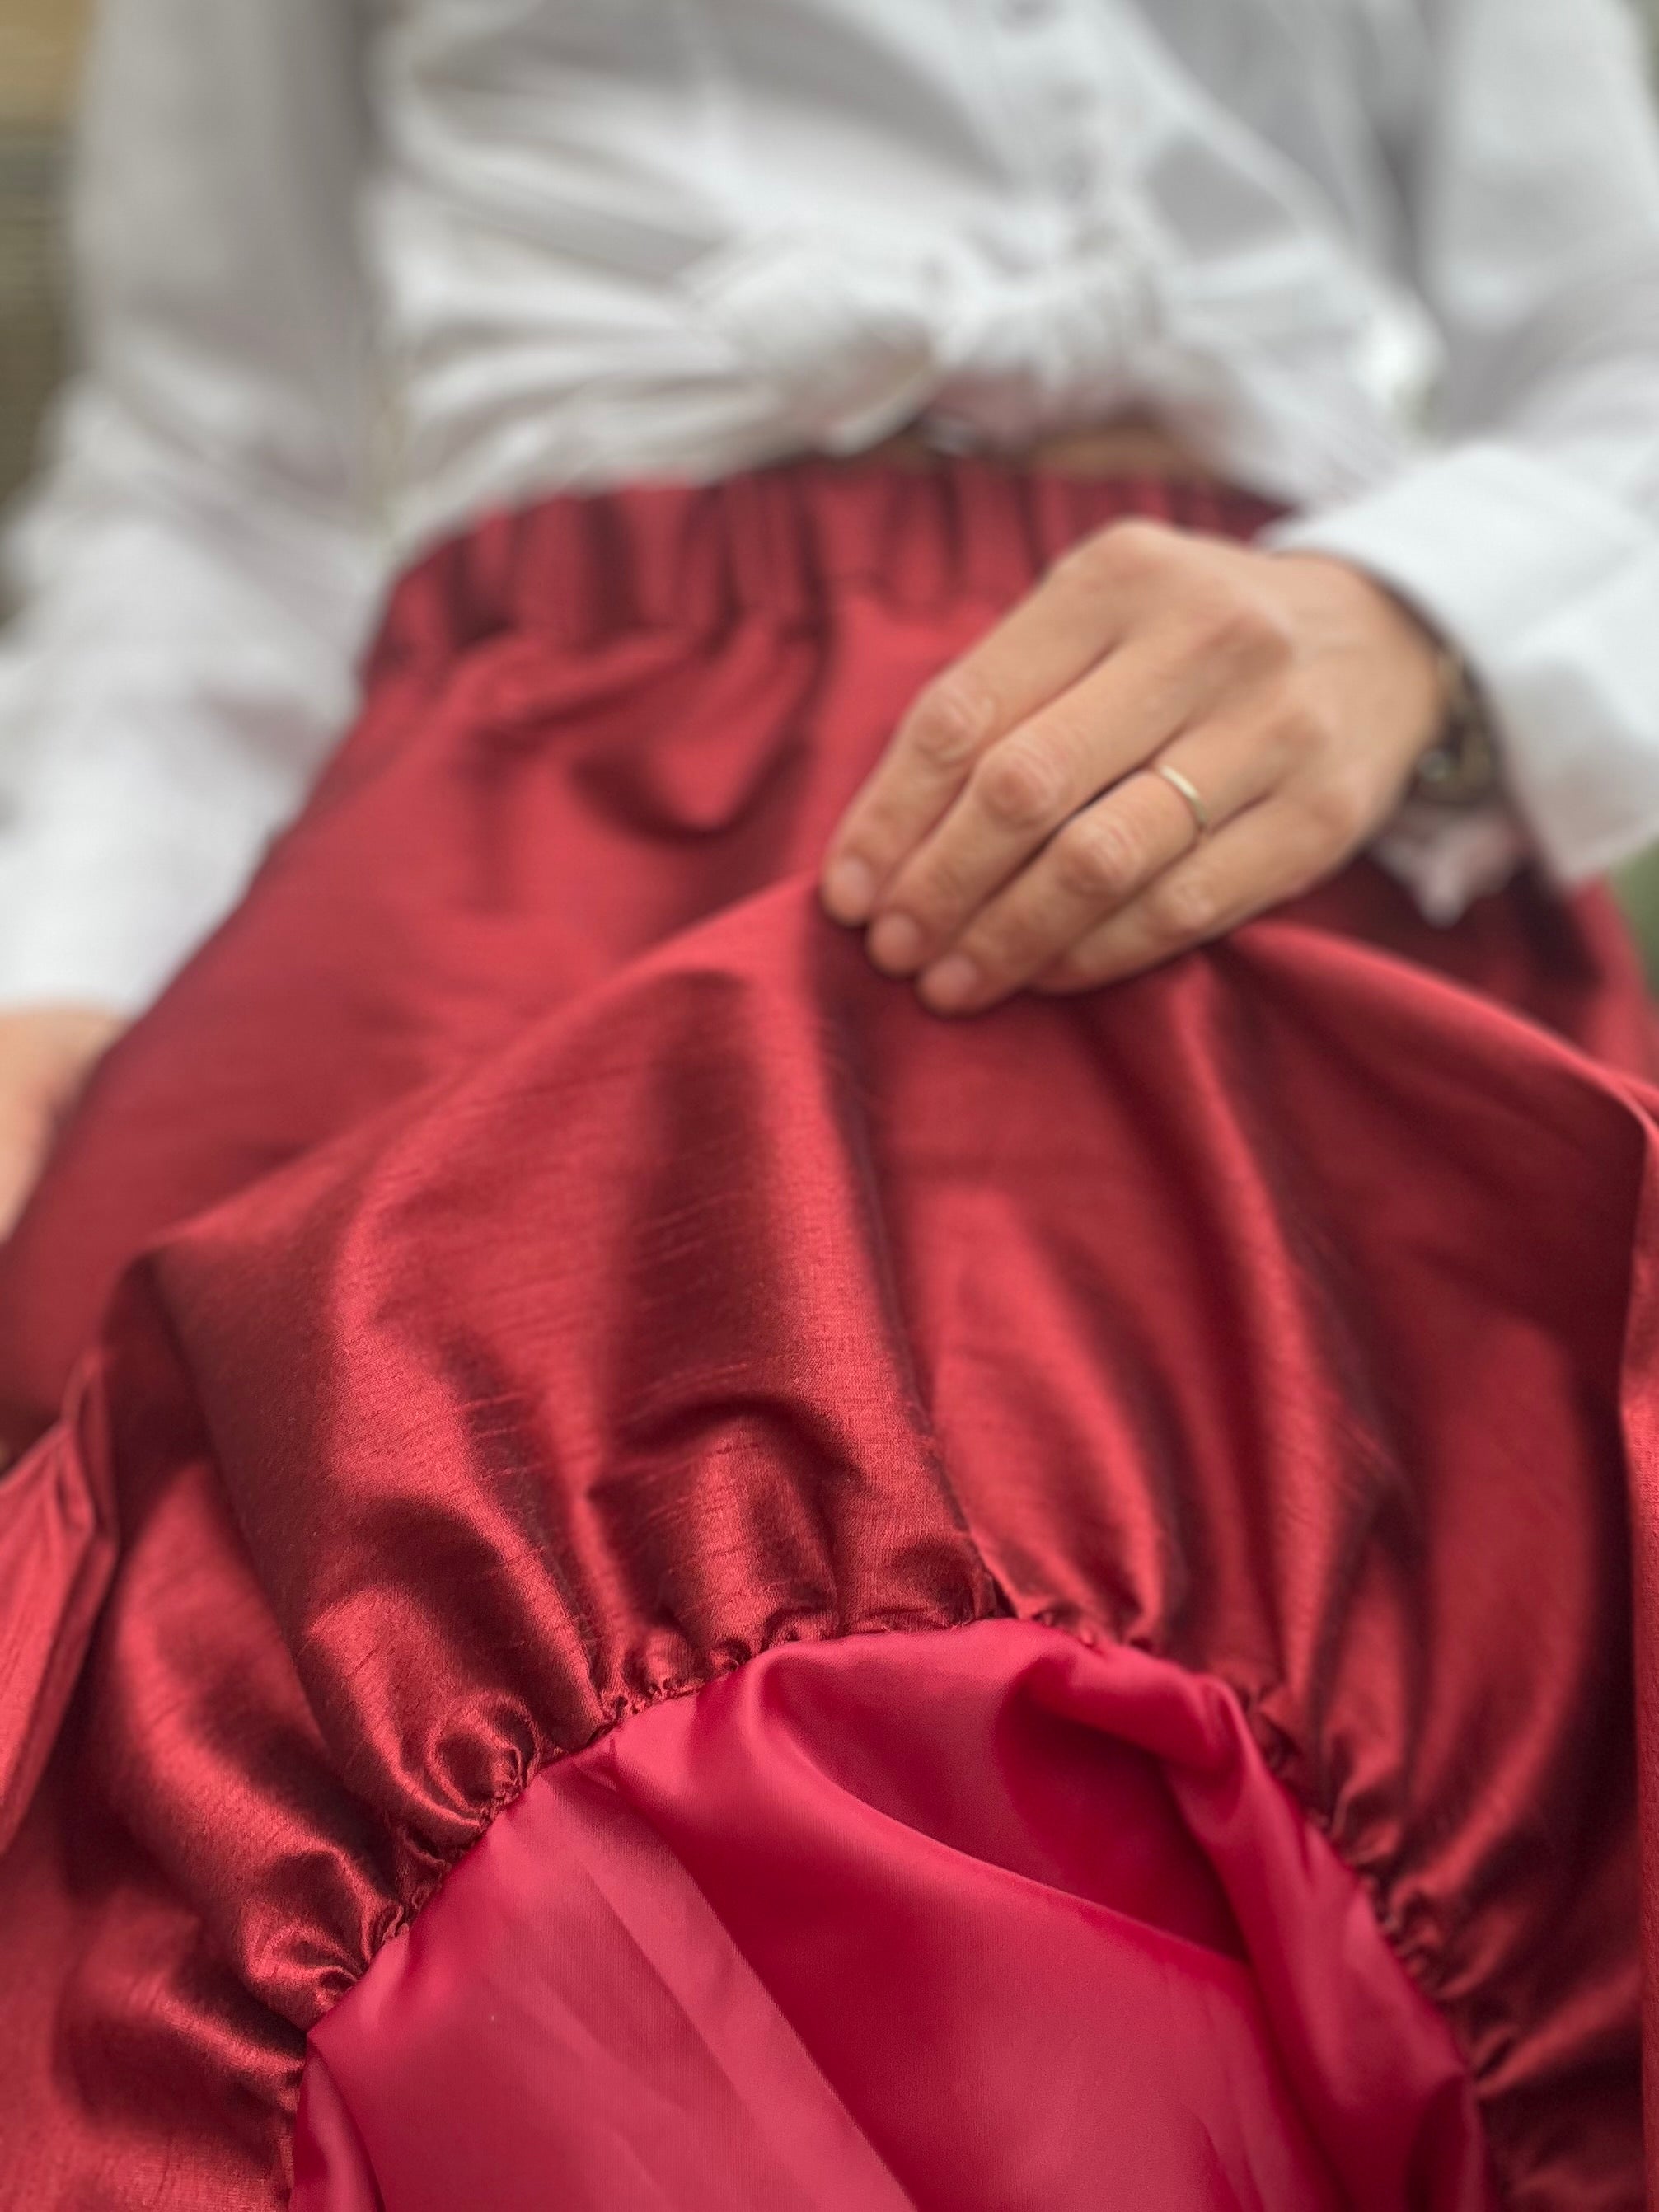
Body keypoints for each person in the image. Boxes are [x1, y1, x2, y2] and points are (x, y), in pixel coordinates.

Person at [0, 0, 1657, 2202]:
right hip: (501, 824)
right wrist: (53, 971)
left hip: (1220, 774)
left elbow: (1621, 366)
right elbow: (212, 462)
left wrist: (1410, 622)